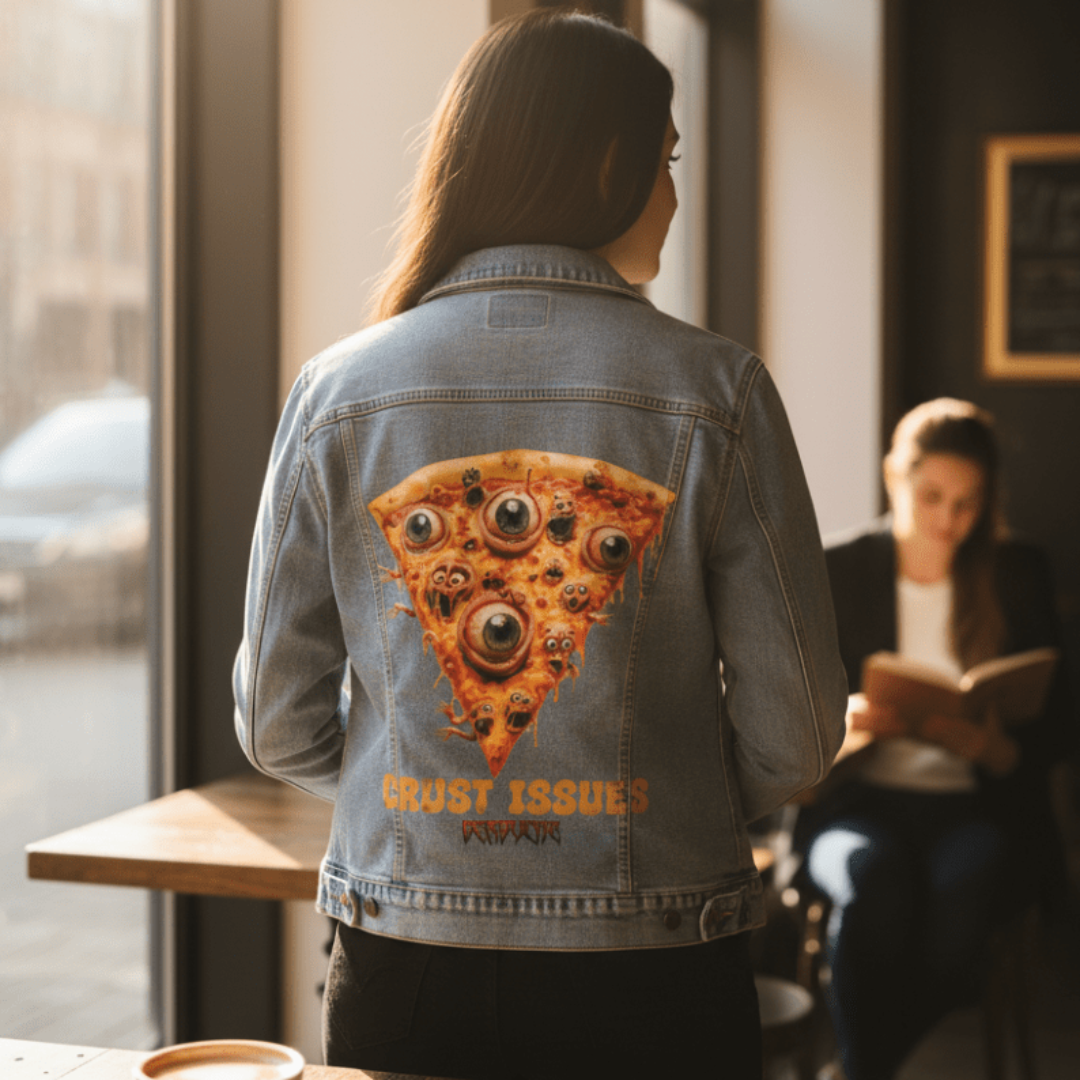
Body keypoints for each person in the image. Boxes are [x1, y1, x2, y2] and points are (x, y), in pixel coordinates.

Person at [233, 10, 847, 1079]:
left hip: (406, 959)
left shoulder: (337, 394)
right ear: (608, 160)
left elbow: (276, 725)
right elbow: (793, 739)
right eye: (665, 161)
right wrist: (654, 794)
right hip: (656, 965)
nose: (672, 193)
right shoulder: (717, 393)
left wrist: (439, 784)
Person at [800, 398, 1073, 1080]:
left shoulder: (1015, 572)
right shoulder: (838, 567)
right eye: (933, 498)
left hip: (973, 806)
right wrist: (847, 720)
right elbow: (786, 716)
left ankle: (859, 1071)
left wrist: (999, 751)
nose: (950, 521)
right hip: (857, 800)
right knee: (869, 884)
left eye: (968, 504)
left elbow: (1060, 721)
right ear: (895, 478)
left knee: (966, 899)